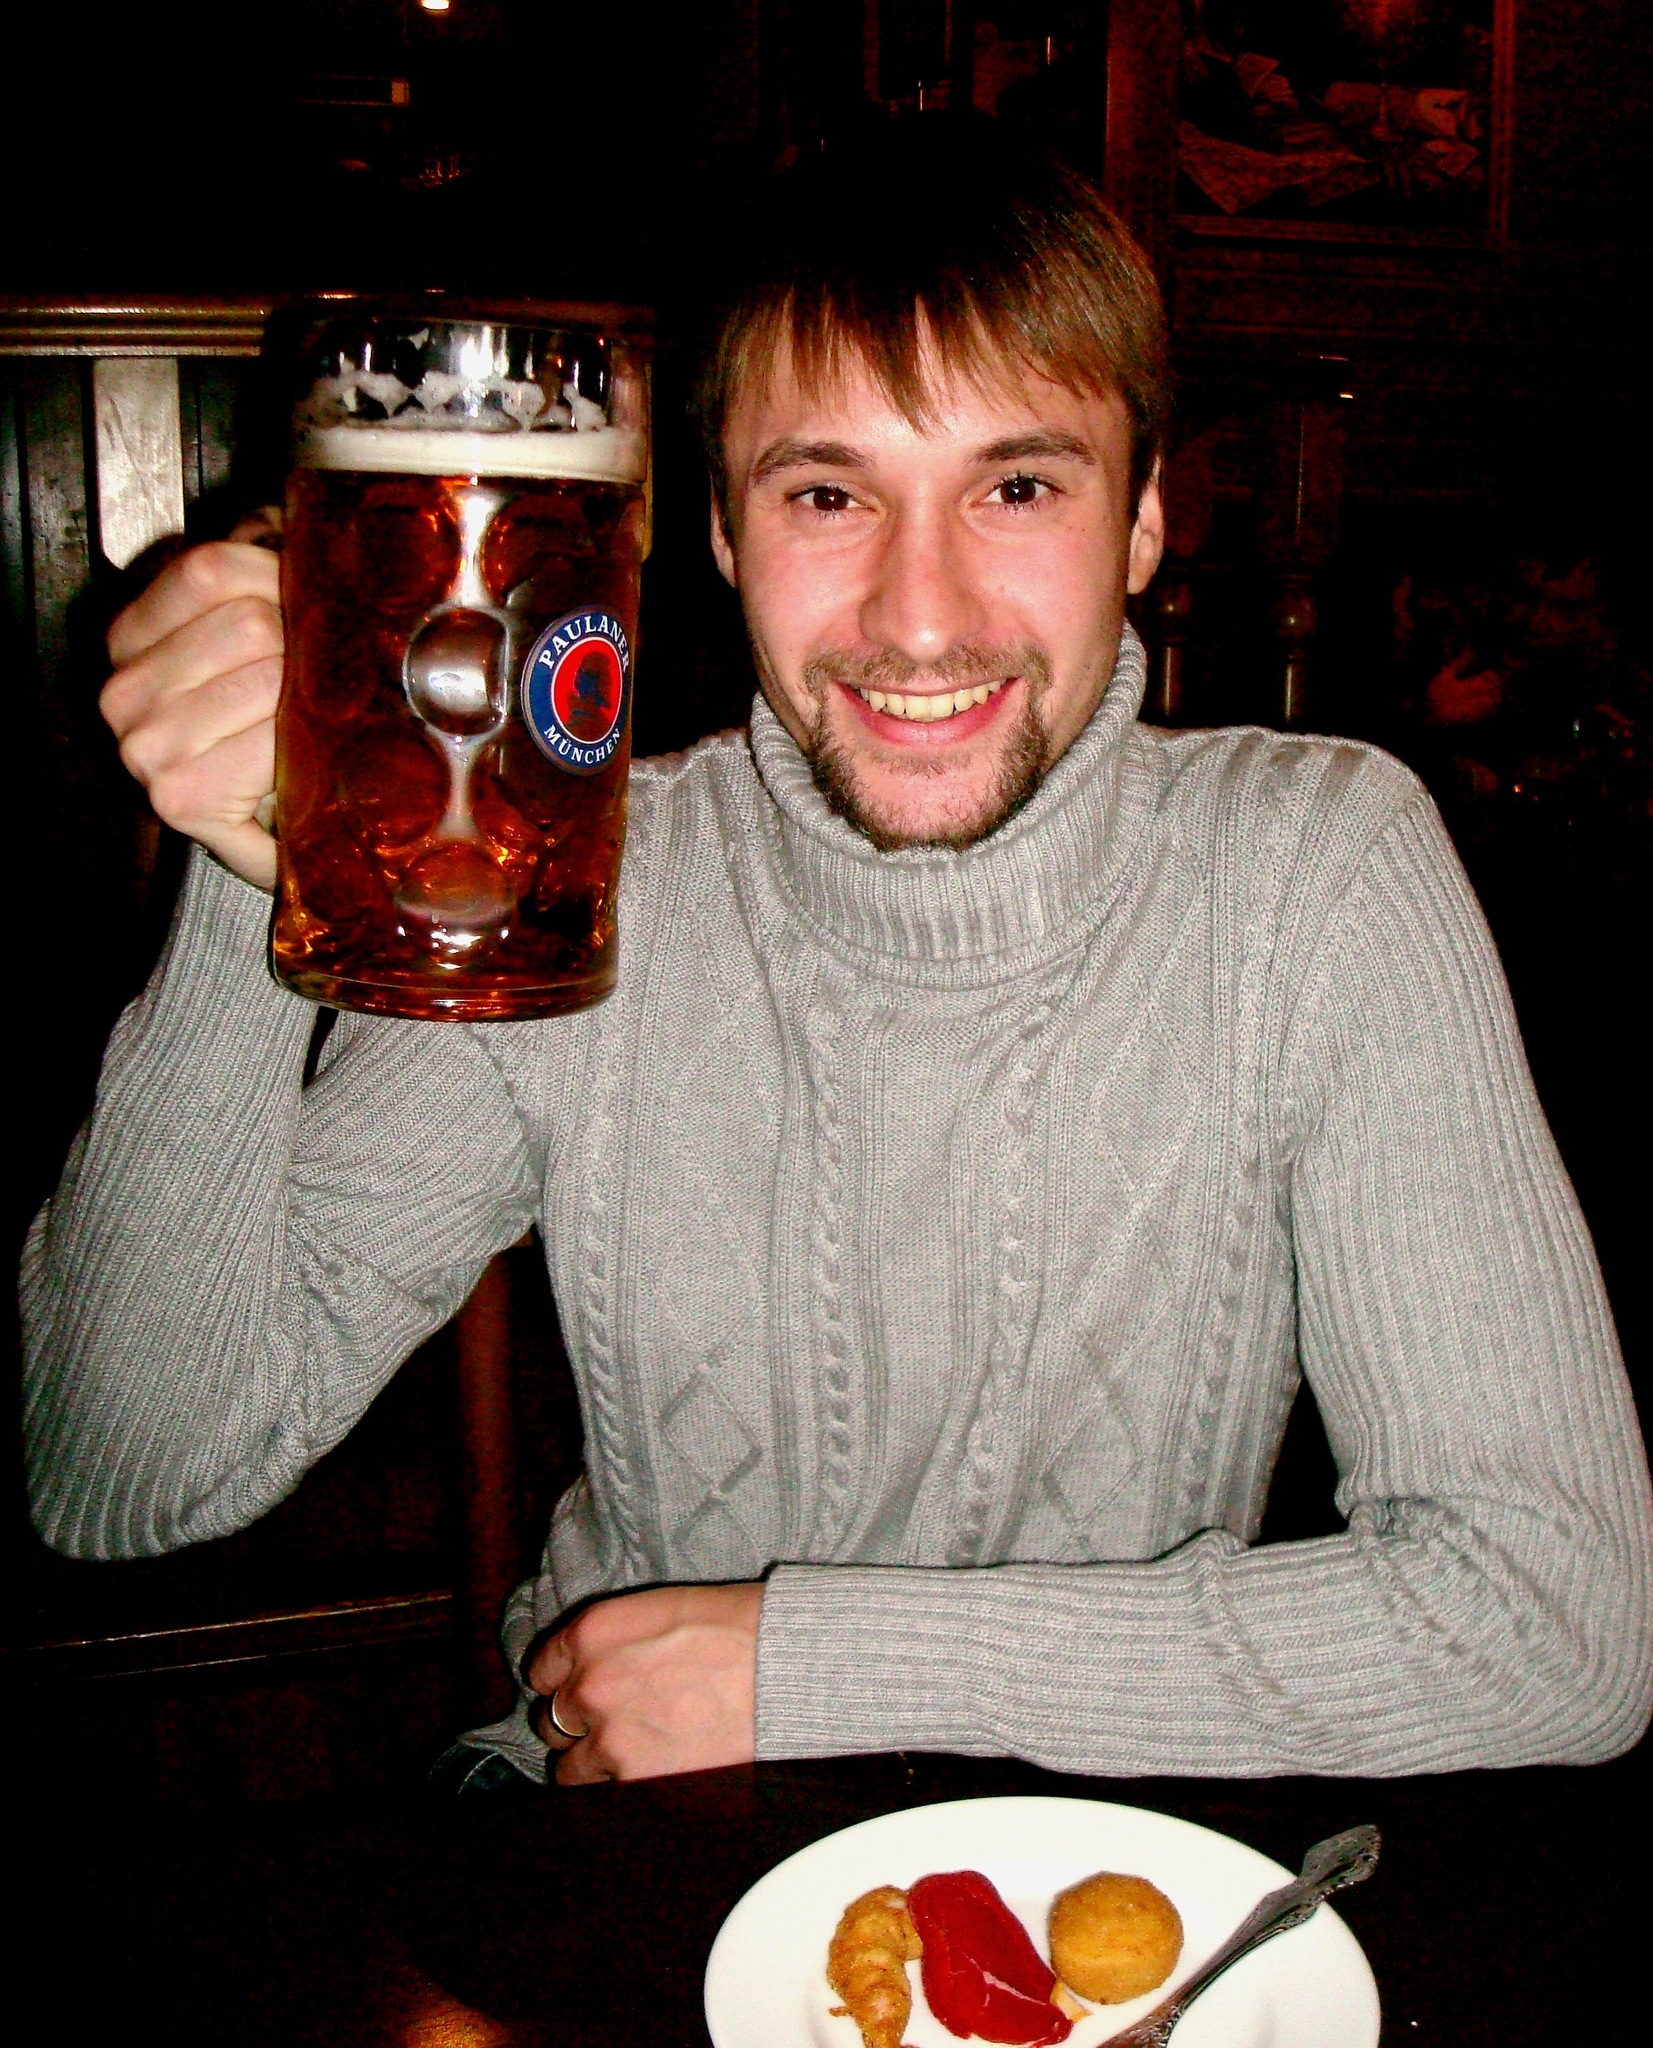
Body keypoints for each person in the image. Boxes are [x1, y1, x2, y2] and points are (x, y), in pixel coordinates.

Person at [22, 127, 1652, 1787]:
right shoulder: (577, 877)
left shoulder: (1313, 868)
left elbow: (1549, 1630)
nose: (917, 614)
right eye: (825, 494)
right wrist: (260, 856)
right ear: (719, 534)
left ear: (1144, 519)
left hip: (1101, 1866)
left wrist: (806, 1669)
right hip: (641, 1828)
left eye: (1015, 487)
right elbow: (125, 1480)